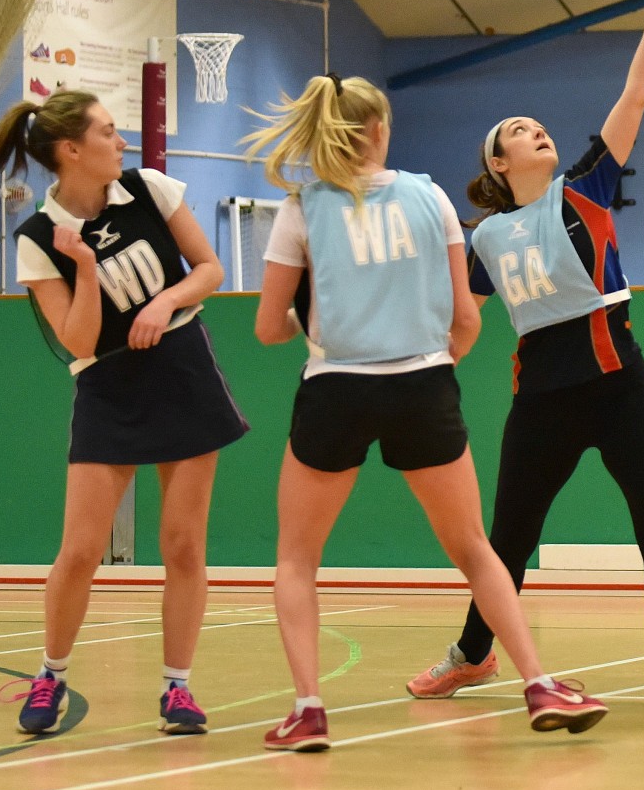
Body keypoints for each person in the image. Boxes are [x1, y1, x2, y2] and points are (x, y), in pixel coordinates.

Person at [247, 74, 606, 752]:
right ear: (379, 129)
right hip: (423, 382)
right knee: (474, 549)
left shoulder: (300, 208)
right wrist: (435, 366)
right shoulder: (429, 195)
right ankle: (538, 685)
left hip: (336, 387)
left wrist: (315, 317)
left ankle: (309, 710)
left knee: (296, 559)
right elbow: (466, 318)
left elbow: (268, 327)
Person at [405, 0, 644, 710]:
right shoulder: (484, 237)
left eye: (541, 126)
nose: (538, 132)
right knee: (507, 539)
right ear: (498, 162)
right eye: (521, 131)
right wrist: (427, 363)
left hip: (619, 382)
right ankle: (472, 655)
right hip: (542, 396)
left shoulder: (586, 190)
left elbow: (635, 95)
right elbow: (461, 316)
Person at [0, 90, 247, 738]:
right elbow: (79, 341)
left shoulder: (149, 189)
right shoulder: (39, 239)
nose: (121, 143)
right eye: (108, 132)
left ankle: (177, 689)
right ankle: (51, 674)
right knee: (81, 550)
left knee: (183, 544)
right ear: (72, 149)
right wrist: (86, 269)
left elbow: (209, 269)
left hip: (183, 372)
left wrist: (164, 302)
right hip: (108, 387)